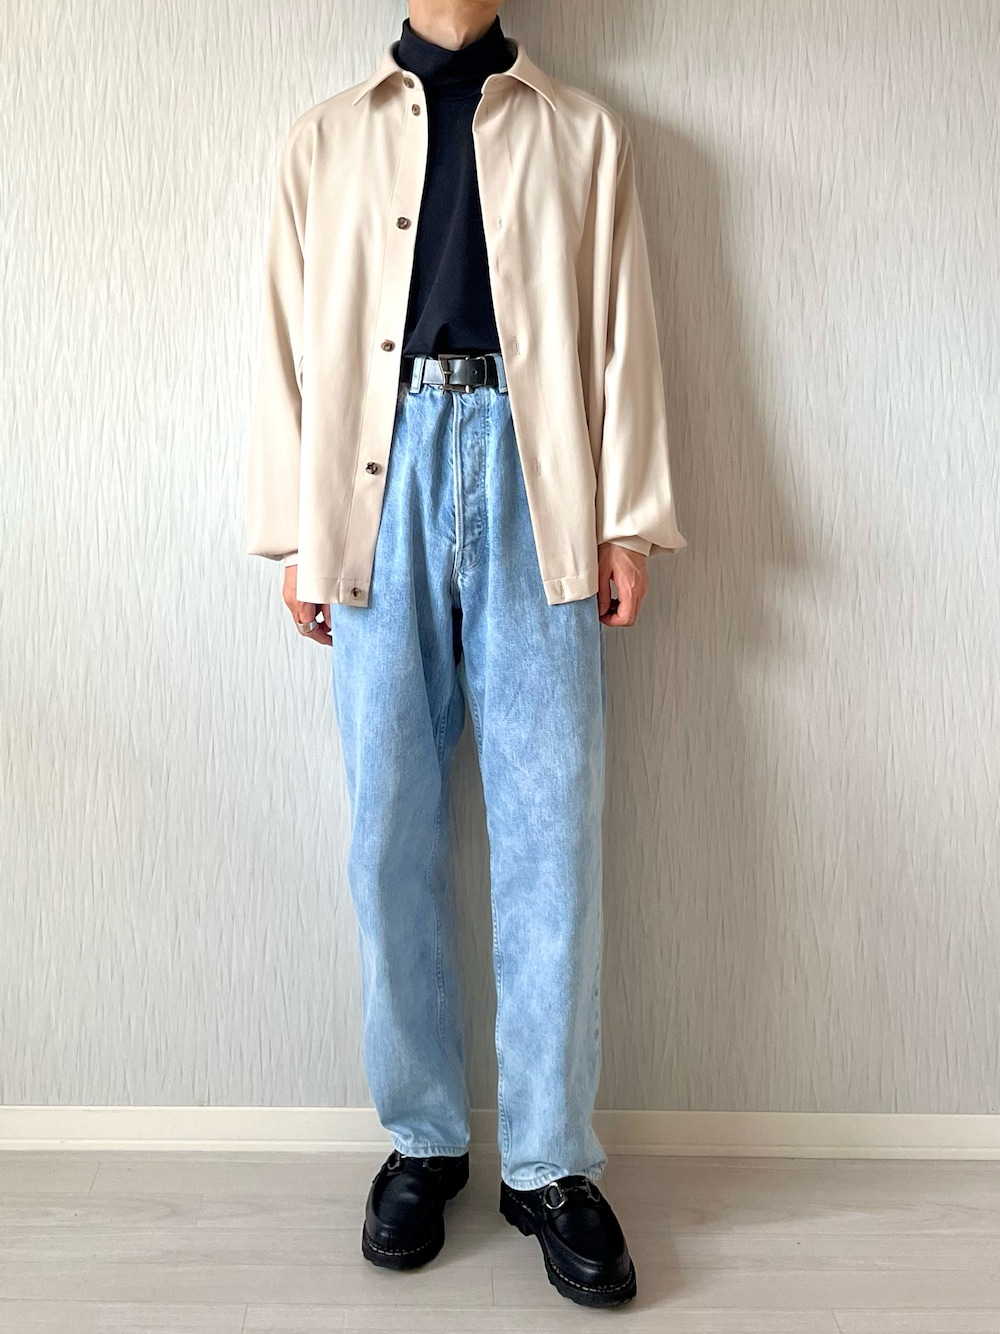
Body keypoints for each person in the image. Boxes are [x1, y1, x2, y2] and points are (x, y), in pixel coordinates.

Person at [246, 0, 686, 1309]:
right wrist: (297, 535)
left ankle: (549, 1162)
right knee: (388, 824)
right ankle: (425, 1138)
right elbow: (282, 342)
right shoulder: (323, 140)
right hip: (374, 491)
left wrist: (628, 520)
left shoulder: (584, 134)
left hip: (538, 484)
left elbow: (625, 330)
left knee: (553, 826)